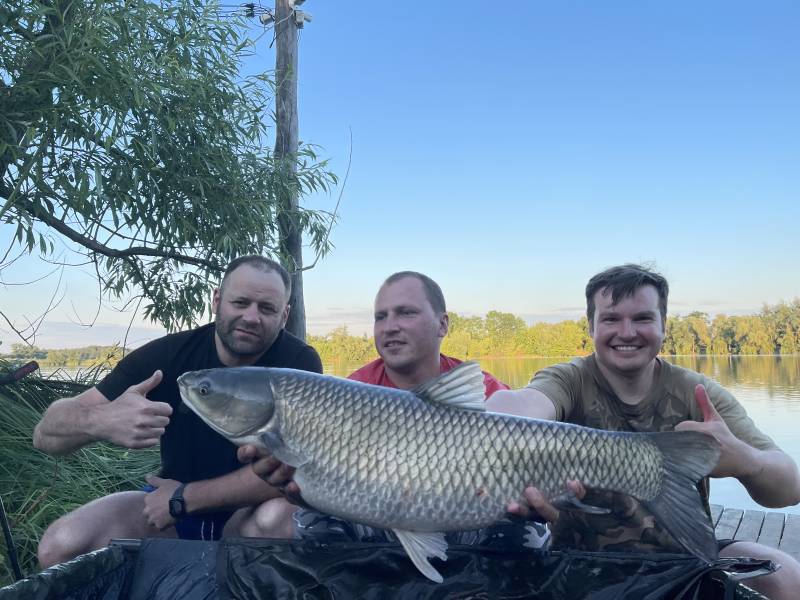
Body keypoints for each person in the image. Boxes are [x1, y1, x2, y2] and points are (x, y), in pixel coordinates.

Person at [486, 263, 800, 600]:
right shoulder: (569, 379)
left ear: (664, 325)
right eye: (611, 319)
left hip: (685, 557)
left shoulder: (696, 392)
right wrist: (502, 410)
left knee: (784, 575)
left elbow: (788, 489)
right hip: (580, 560)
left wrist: (747, 460)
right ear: (591, 327)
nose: (626, 332)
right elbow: (532, 403)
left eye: (642, 318)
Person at [33, 255, 323, 568]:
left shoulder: (298, 366)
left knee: (283, 518)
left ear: (284, 315)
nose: (251, 317)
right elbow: (45, 435)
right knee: (61, 546)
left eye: (266, 308)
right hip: (165, 514)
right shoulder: (169, 356)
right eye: (240, 303)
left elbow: (295, 471)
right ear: (217, 300)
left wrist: (185, 498)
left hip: (244, 516)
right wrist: (101, 421)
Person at [240, 271, 538, 545]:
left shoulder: (486, 392)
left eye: (406, 313)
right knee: (273, 519)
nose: (390, 327)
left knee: (533, 532)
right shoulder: (351, 393)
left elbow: (528, 448)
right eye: (380, 317)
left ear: (443, 324)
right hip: (376, 513)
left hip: (466, 510)